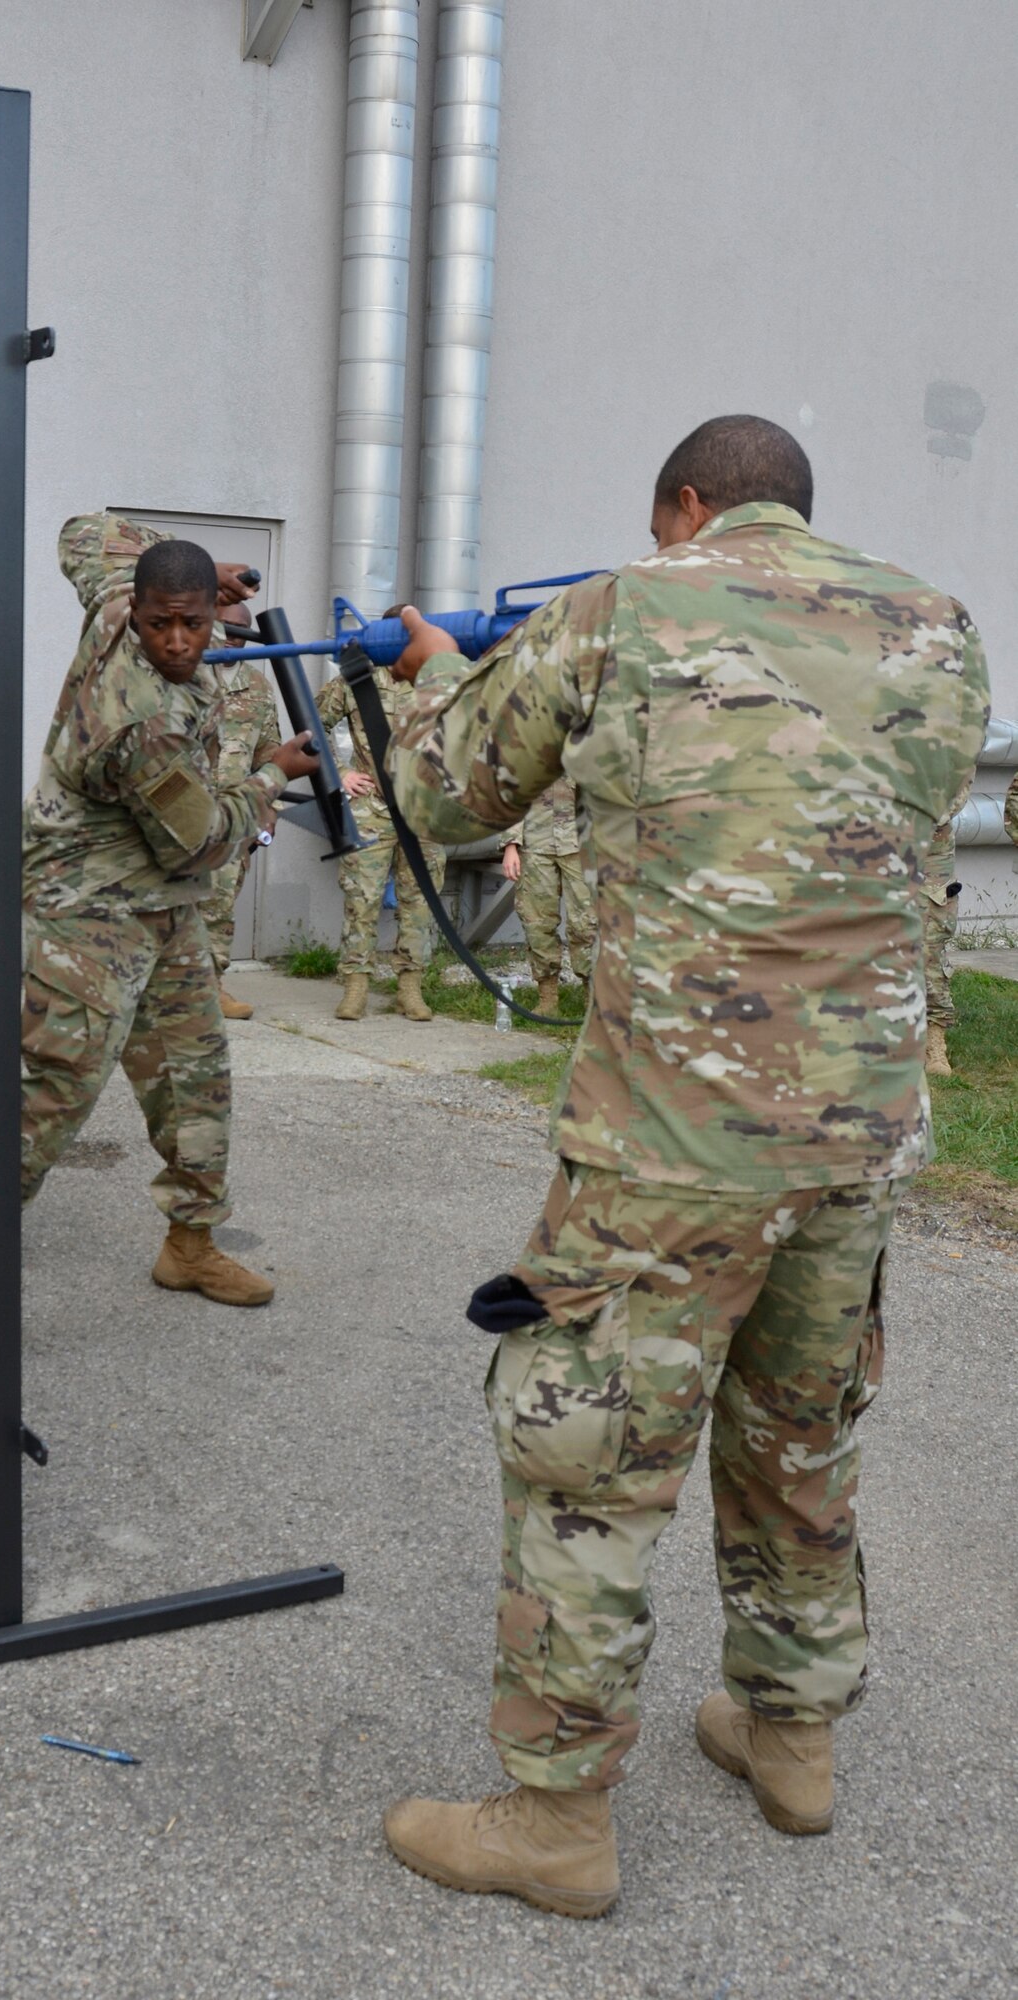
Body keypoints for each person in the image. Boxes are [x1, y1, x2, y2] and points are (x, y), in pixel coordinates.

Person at [379, 416, 989, 1917]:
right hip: (859, 1134)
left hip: (677, 1139)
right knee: (799, 1435)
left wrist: (429, 675)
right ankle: (789, 1740)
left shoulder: (625, 603)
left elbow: (453, 798)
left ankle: (554, 1821)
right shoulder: (937, 626)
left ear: (686, 507)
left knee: (590, 1457)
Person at [20, 512, 318, 1306]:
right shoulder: (139, 719)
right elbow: (200, 843)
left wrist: (199, 566)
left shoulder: (121, 593)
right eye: (162, 626)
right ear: (140, 615)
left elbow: (84, 528)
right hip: (86, 908)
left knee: (195, 1074)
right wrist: (274, 774)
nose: (179, 643)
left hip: (165, 907)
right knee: (51, 1091)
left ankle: (189, 1245)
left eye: (194, 621)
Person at [314, 645, 447, 1022]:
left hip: (424, 811)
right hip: (372, 810)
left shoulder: (437, 682)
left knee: (420, 901)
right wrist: (339, 774)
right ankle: (356, 987)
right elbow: (312, 723)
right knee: (362, 899)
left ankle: (410, 988)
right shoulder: (357, 681)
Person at [197, 606, 282, 1021]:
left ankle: (210, 988)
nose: (231, 638)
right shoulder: (183, 676)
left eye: (240, 631)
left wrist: (268, 812)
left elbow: (271, 757)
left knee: (218, 909)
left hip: (234, 821)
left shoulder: (258, 687)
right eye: (225, 627)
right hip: (179, 816)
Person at [500, 778, 596, 1014]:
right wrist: (510, 845)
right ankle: (547, 998)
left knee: (587, 923)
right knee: (537, 923)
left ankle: (594, 998)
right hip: (535, 845)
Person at [921, 796, 965, 1076]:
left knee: (930, 943)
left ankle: (933, 1041)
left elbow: (960, 777)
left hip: (930, 837)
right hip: (865, 830)